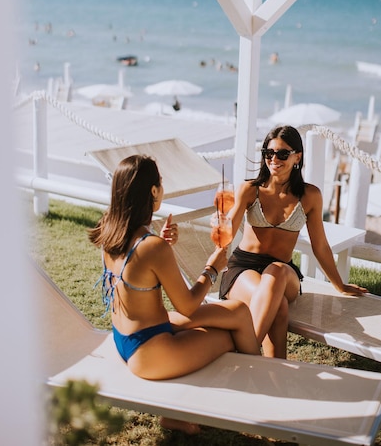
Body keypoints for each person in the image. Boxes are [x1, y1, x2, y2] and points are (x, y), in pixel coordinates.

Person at [88, 154, 260, 434]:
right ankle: (250, 397)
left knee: (238, 311)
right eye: (161, 183)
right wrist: (212, 269)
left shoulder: (110, 229)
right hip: (150, 351)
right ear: (153, 191)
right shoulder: (151, 246)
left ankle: (234, 395)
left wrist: (160, 239)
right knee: (228, 337)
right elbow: (189, 306)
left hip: (128, 337)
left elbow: (136, 269)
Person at [219, 125, 368, 359]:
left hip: (283, 272)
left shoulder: (310, 196)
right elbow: (227, 231)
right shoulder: (250, 190)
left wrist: (339, 284)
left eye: (282, 154)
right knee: (277, 308)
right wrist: (223, 221)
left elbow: (320, 246)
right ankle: (275, 373)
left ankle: (244, 355)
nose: (274, 159)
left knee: (276, 271)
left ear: (297, 156)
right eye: (269, 153)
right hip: (244, 268)